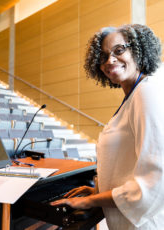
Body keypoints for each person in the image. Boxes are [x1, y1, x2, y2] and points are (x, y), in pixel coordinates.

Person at [51, 24, 164, 229]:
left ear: (139, 50)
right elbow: (127, 165)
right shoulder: (134, 95)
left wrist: (90, 201)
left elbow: (157, 180)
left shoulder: (145, 94)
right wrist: (99, 192)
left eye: (119, 50)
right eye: (102, 57)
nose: (109, 60)